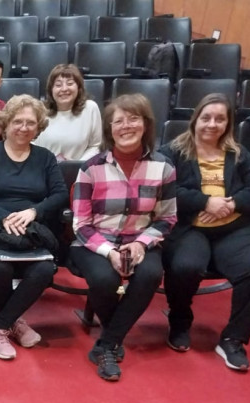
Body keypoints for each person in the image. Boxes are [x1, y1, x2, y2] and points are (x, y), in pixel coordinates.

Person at [160, 93, 250, 371]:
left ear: (228, 123)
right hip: (190, 226)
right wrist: (204, 201)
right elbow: (165, 190)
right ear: (195, 119)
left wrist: (231, 203)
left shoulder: (238, 153)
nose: (212, 124)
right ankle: (179, 322)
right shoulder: (172, 151)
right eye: (206, 117)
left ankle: (233, 339)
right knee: (186, 266)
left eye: (220, 119)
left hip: (235, 227)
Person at [71, 93, 177, 382]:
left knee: (149, 276)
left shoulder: (164, 168)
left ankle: (106, 344)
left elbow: (167, 218)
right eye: (118, 121)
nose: (126, 126)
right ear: (109, 129)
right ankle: (113, 339)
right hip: (93, 242)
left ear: (146, 124)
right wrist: (110, 252)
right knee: (105, 279)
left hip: (141, 241)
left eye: (133, 119)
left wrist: (141, 244)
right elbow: (80, 224)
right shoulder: (91, 168)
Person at [0, 95, 68, 360]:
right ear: (6, 124)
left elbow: (60, 194)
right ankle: (13, 321)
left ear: (39, 127)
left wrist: (33, 211)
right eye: (17, 121)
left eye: (30, 122)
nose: (23, 127)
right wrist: (5, 216)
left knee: (44, 269)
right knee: (0, 268)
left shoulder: (45, 158)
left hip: (29, 230)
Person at [36, 64, 103, 162]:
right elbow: (31, 144)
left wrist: (77, 165)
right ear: (51, 90)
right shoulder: (39, 110)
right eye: (58, 85)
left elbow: (96, 145)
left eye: (70, 83)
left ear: (78, 87)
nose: (64, 89)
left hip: (79, 171)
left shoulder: (90, 108)